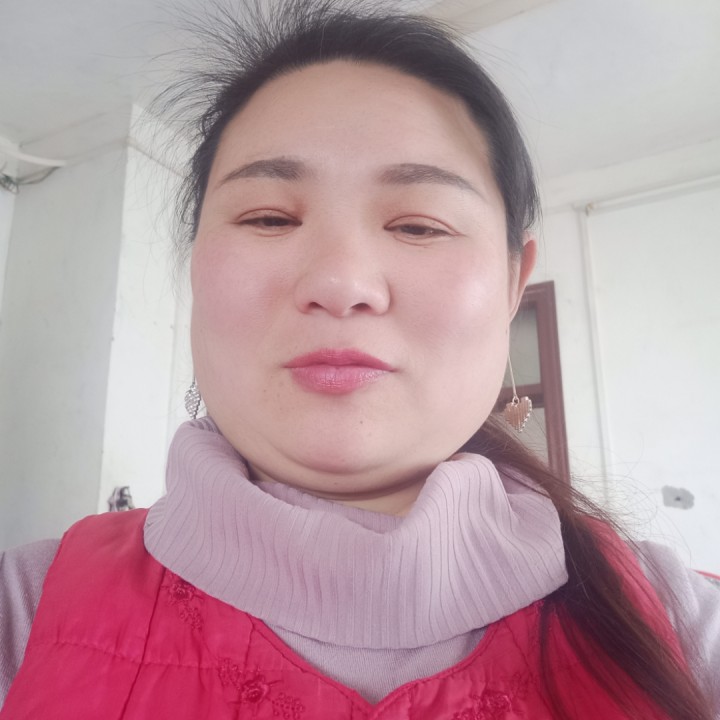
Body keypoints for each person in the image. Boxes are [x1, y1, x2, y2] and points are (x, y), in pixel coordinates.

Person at [1, 1, 718, 718]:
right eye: (268, 217)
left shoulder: (680, 627)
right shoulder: (27, 610)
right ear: (196, 269)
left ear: (512, 284)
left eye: (419, 225)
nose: (340, 281)